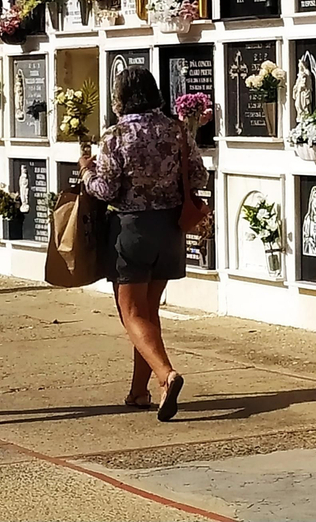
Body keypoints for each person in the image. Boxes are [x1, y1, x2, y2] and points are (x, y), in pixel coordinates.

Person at [80, 67, 205, 421]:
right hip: (170, 229)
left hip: (130, 229)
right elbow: (198, 175)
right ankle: (139, 391)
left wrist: (86, 170)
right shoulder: (177, 129)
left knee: (132, 314)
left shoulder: (116, 135)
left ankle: (167, 375)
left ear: (120, 97)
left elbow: (105, 190)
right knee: (149, 312)